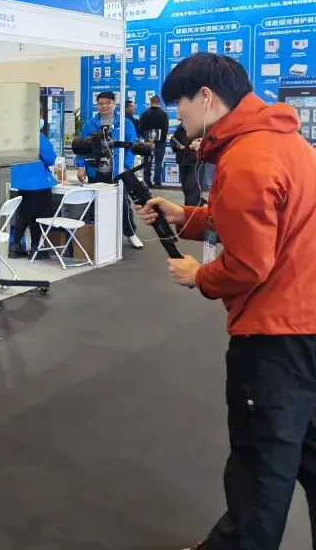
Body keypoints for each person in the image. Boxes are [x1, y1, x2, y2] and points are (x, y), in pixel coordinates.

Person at [136, 53, 316, 550]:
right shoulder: (285, 143)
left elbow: (249, 264)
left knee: (261, 463)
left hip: (275, 336)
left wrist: (199, 276)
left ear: (206, 98)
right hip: (305, 324)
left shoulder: (247, 157)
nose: (178, 116)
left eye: (180, 104)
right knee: (306, 451)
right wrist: (185, 216)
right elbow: (259, 223)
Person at [75, 90, 143, 248]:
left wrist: (126, 166)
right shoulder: (90, 125)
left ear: (114, 103)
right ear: (97, 105)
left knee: (123, 203)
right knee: (95, 203)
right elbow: (81, 147)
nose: (104, 106)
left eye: (108, 103)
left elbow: (132, 146)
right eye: (101, 104)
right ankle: (97, 234)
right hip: (95, 171)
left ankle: (130, 233)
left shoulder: (125, 123)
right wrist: (80, 166)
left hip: (118, 171)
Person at [8, 128, 58, 259]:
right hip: (38, 182)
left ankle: (15, 247)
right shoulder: (38, 137)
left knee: (23, 215)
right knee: (38, 216)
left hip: (21, 182)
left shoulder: (15, 136)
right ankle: (35, 249)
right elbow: (50, 158)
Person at [139, 95, 171, 188]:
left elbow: (140, 128)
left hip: (147, 142)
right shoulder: (164, 114)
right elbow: (165, 129)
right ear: (159, 103)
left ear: (151, 102)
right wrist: (161, 139)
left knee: (147, 162)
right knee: (158, 163)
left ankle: (147, 182)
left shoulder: (144, 114)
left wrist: (146, 137)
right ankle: (157, 182)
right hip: (160, 142)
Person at [170, 122, 202, 207]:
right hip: (182, 161)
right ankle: (188, 208)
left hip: (195, 161)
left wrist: (191, 146)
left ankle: (194, 209)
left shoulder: (200, 125)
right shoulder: (180, 127)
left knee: (191, 187)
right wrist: (176, 146)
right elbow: (173, 139)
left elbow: (203, 141)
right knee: (185, 188)